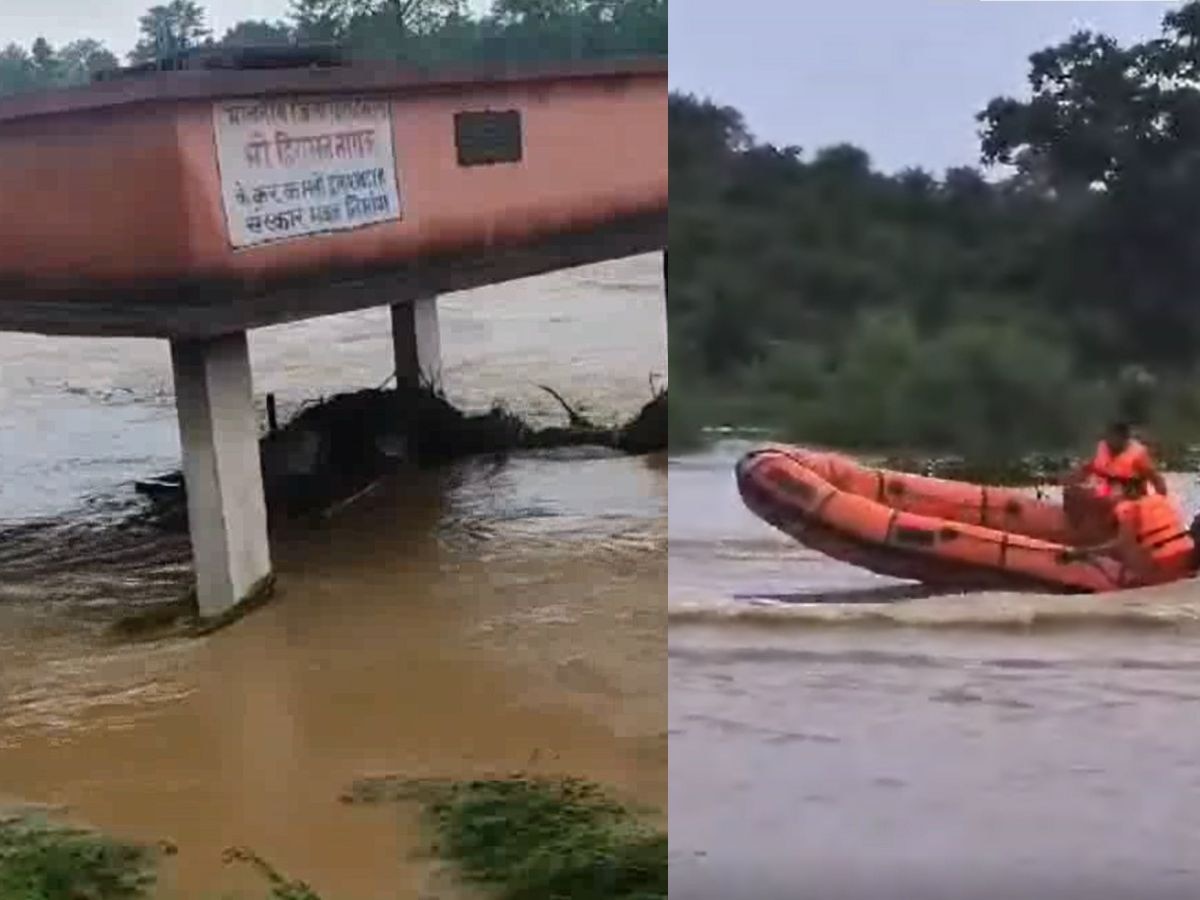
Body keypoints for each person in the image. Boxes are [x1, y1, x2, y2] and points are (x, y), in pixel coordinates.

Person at [1067, 482, 1195, 586]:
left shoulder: (1126, 509)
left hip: (1162, 564)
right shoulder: (1161, 500)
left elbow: (1122, 546)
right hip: (1187, 555)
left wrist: (1082, 552)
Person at [1076, 422, 1168, 501]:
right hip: (1106, 490)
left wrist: (1161, 499)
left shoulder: (1138, 454)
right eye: (1110, 437)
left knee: (1118, 504)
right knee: (1078, 495)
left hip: (1131, 493)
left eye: (1116, 438)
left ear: (1125, 439)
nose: (1112, 442)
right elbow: (1087, 469)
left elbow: (1155, 478)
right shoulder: (1102, 448)